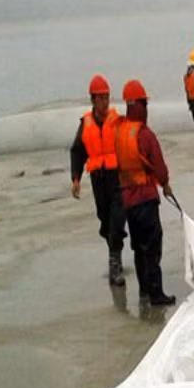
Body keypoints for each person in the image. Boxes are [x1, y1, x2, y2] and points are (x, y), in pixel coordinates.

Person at [115, 79, 176, 306]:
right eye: (145, 104)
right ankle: (156, 293)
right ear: (138, 105)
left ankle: (143, 291)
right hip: (146, 200)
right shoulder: (144, 134)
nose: (147, 109)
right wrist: (165, 183)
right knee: (152, 247)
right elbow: (158, 164)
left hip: (128, 203)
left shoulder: (120, 133)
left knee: (138, 248)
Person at [70, 74, 127, 286]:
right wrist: (76, 179)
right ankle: (114, 252)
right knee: (105, 221)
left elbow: (128, 145)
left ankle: (115, 263)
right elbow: (77, 151)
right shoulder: (85, 123)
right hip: (98, 179)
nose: (105, 102)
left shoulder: (117, 121)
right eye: (101, 98)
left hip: (117, 178)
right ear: (93, 100)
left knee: (117, 220)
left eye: (107, 97)